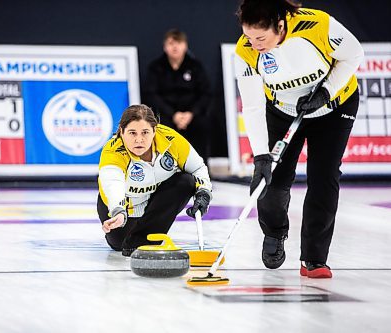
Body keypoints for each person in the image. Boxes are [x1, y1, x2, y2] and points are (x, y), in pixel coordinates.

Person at [234, 0, 363, 278]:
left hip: (334, 107)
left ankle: (314, 258)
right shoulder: (245, 52)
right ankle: (274, 232)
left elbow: (354, 55)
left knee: (324, 176)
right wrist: (260, 156)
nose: (254, 44)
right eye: (248, 36)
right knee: (273, 179)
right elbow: (254, 107)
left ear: (280, 26)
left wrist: (326, 91)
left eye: (260, 38)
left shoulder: (317, 25)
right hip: (281, 112)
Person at [97, 104, 212, 256]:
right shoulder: (113, 151)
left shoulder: (171, 140)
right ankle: (136, 234)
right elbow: (113, 183)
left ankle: (144, 237)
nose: (139, 139)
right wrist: (118, 211)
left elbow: (197, 168)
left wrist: (204, 193)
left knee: (186, 182)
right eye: (132, 133)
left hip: (154, 202)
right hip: (123, 210)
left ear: (154, 131)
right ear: (121, 132)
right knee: (120, 244)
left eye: (145, 132)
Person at [144, 29, 212, 163]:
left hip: (191, 115)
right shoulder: (156, 68)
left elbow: (205, 93)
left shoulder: (195, 67)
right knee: (159, 125)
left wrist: (191, 114)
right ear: (165, 46)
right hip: (166, 115)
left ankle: (200, 171)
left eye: (178, 43)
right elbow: (151, 94)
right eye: (171, 43)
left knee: (202, 124)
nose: (175, 47)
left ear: (185, 46)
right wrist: (173, 114)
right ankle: (165, 171)